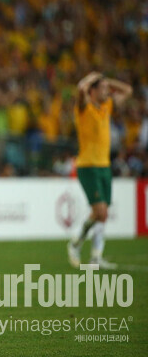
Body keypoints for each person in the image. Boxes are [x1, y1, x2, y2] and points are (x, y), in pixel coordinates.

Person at [67, 72, 132, 269]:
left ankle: (96, 257)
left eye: (107, 88)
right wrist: (90, 79)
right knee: (100, 210)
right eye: (102, 88)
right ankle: (75, 243)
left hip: (104, 166)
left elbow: (128, 91)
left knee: (102, 214)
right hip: (88, 166)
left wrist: (107, 80)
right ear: (92, 91)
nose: (107, 91)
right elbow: (80, 90)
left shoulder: (106, 106)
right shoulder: (83, 108)